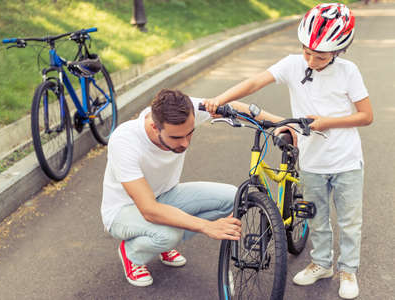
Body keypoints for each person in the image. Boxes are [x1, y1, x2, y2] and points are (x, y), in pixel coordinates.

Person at [203, 3, 373, 300]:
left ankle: (348, 269)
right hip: (312, 161)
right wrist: (220, 98)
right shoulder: (294, 64)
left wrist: (327, 122)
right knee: (316, 217)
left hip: (346, 161)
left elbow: (366, 115)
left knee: (348, 221)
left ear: (339, 51)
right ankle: (322, 264)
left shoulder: (349, 72)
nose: (310, 59)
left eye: (319, 56)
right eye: (306, 51)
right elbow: (256, 81)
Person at [103, 89, 269, 287]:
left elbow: (233, 107)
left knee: (233, 197)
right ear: (154, 127)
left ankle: (162, 241)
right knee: (168, 235)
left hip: (166, 195)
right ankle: (132, 254)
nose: (185, 143)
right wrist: (207, 227)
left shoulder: (185, 110)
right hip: (124, 211)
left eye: (189, 133)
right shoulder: (125, 140)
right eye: (176, 138)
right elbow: (148, 209)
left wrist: (278, 124)